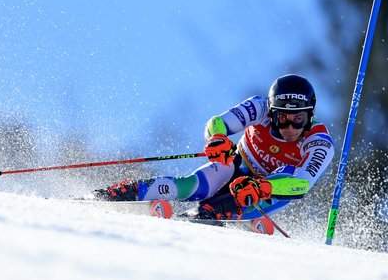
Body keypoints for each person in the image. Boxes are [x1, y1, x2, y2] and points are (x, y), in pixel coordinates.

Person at [94, 74, 335, 220]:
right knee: (190, 186)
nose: (290, 126)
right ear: (272, 112)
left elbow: (301, 184)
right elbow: (217, 123)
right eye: (282, 118)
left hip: (269, 191)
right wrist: (217, 138)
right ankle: (125, 192)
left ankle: (213, 211)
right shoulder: (259, 107)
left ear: (310, 114)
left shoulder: (319, 141)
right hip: (238, 165)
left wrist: (263, 186)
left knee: (243, 194)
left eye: (298, 119)